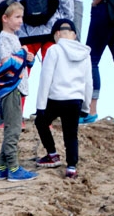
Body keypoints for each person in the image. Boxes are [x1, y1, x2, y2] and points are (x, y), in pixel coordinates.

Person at [33, 19, 92, 179]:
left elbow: (45, 79)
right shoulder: (85, 53)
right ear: (74, 35)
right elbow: (88, 82)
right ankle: (71, 167)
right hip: (76, 100)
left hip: (56, 98)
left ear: (56, 34)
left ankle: (52, 154)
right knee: (71, 134)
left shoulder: (54, 50)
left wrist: (40, 106)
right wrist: (86, 107)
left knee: (41, 122)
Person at [0, 0, 37, 181]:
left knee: (13, 127)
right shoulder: (4, 38)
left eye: (21, 17)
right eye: (17, 17)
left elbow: (19, 63)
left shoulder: (13, 38)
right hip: (10, 89)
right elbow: (6, 64)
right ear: (5, 18)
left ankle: (1, 168)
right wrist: (22, 55)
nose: (20, 21)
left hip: (16, 89)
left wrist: (29, 58)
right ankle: (13, 168)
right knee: (13, 129)